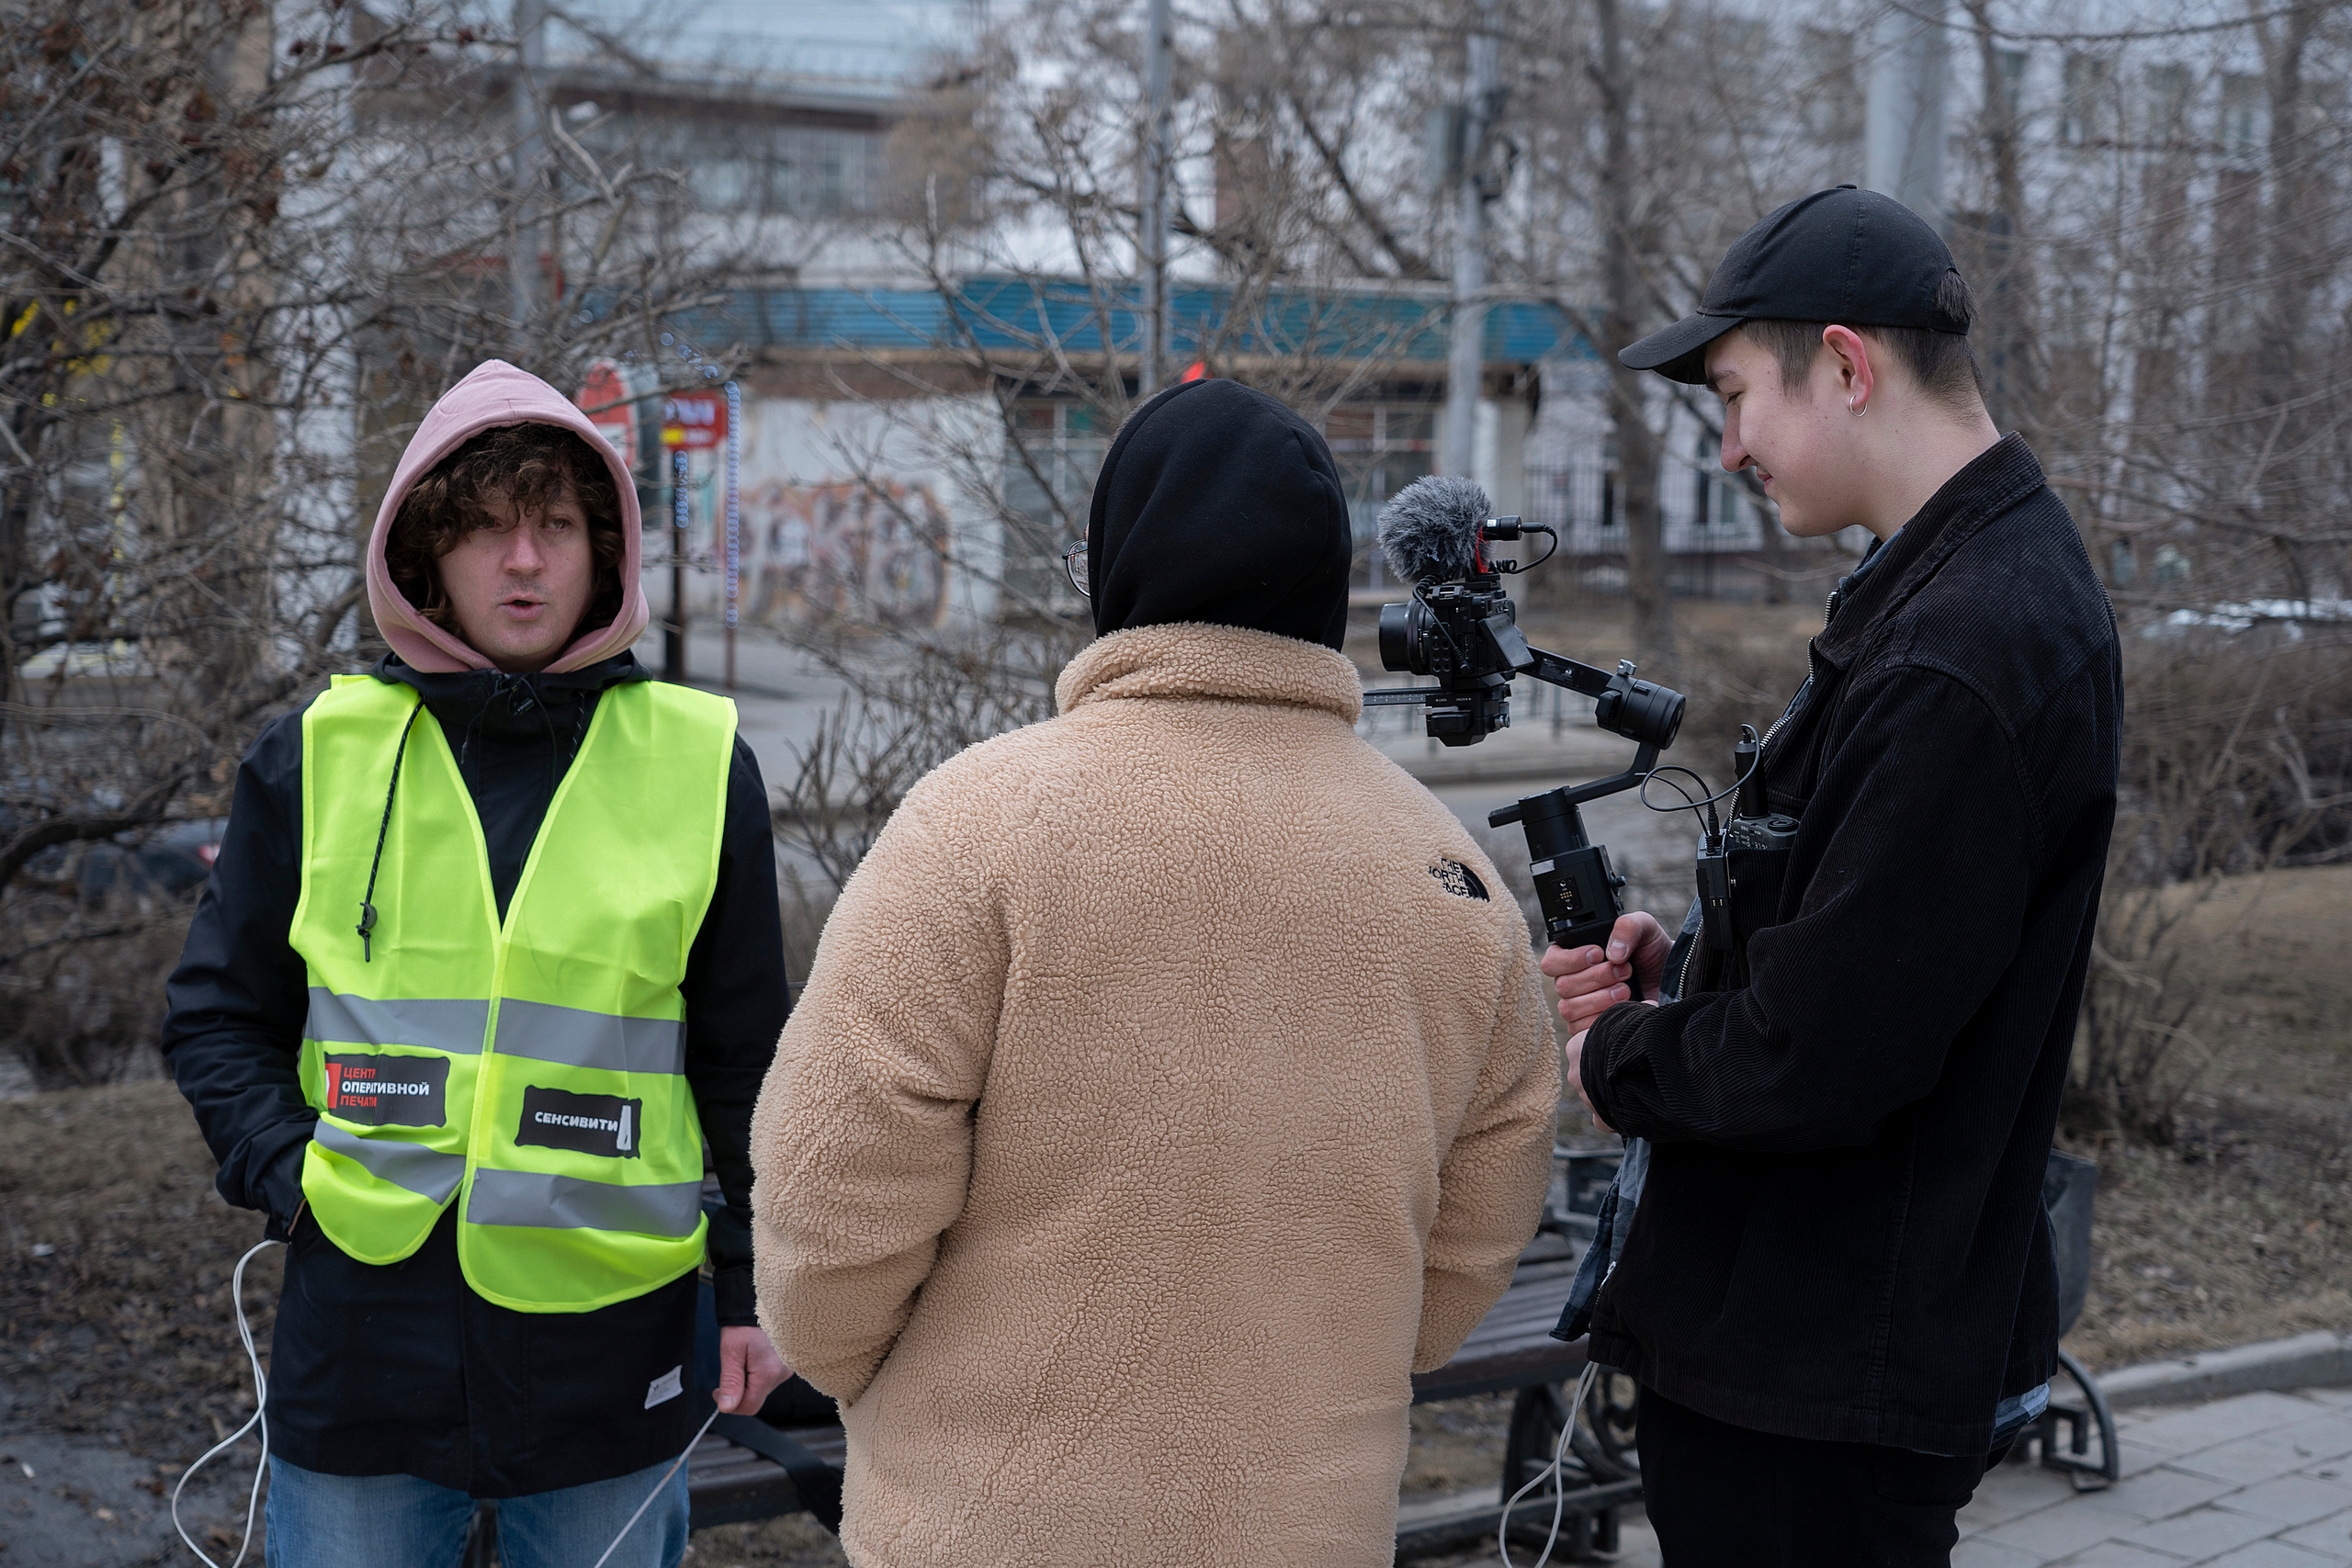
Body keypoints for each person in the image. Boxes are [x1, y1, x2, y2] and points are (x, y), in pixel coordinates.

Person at [749, 377, 1558, 1566]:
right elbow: (1481, 1231)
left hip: (992, 1522)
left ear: (1119, 565)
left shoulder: (978, 827)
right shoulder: (1448, 875)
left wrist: (857, 1367)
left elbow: (834, 1185)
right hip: (1306, 1524)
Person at [1543, 186, 2122, 1564]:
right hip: (1816, 1347)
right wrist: (1686, 980)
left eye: (1739, 394)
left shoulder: (1960, 648)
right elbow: (1878, 952)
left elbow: (1824, 1057)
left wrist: (1621, 1057)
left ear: (1848, 366)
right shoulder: (1956, 592)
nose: (1732, 444)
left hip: (1816, 1381)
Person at [164, 360, 792, 1568]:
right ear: (425, 555)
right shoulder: (318, 756)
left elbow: (749, 1063)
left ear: (604, 550)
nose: (522, 562)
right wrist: (288, 1177)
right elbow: (213, 1016)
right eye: (488, 529)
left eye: (555, 526)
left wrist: (757, 1291)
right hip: (362, 1354)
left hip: (614, 1356)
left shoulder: (700, 765)